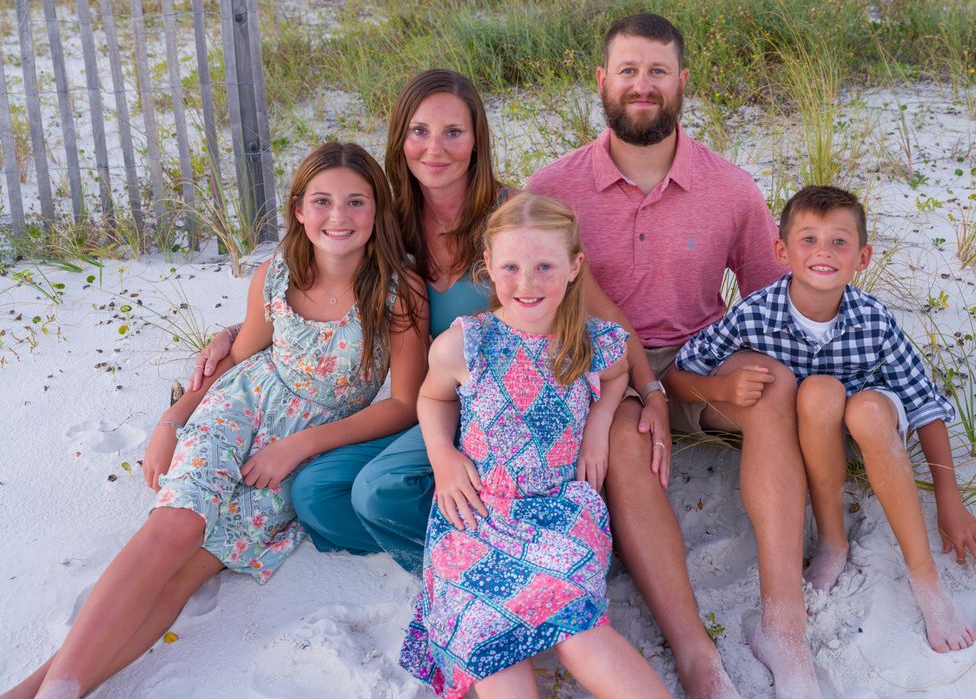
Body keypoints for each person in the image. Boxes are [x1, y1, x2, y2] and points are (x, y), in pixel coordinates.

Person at [188, 69, 657, 579]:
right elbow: (324, 283)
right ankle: (470, 531)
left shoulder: (514, 219)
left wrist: (649, 387)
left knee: (376, 489)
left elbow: (603, 315)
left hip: (514, 407)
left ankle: (503, 555)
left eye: (453, 132)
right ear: (400, 140)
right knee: (315, 494)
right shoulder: (389, 222)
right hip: (440, 397)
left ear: (476, 141)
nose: (435, 148)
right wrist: (236, 332)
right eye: (419, 132)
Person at [3, 142, 427, 699]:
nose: (339, 216)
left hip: (306, 445)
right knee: (173, 529)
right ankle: (50, 690)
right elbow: (240, 356)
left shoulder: (399, 291)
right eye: (322, 201)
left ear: (378, 210)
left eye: (356, 201)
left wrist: (298, 447)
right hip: (240, 409)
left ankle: (46, 689)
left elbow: (400, 405)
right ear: (299, 209)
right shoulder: (278, 274)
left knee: (191, 571)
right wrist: (172, 419)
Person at [526, 13, 796, 699]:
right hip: (599, 370)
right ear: (602, 82)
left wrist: (726, 383)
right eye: (627, 71)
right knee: (620, 440)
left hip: (698, 357)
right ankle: (696, 655)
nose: (641, 86)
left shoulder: (731, 189)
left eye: (656, 71)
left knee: (777, 389)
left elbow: (773, 302)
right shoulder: (552, 188)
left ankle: (783, 620)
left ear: (681, 81)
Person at [668, 186, 976, 654]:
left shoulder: (874, 321)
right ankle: (832, 542)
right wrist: (720, 391)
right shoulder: (755, 314)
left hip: (869, 424)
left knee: (860, 405)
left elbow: (924, 403)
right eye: (808, 240)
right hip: (813, 422)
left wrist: (949, 499)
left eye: (839, 242)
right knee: (819, 392)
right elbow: (680, 373)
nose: (824, 251)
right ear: (781, 251)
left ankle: (926, 581)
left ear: (863, 256)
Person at [400, 193, 670, 699]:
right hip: (478, 513)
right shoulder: (466, 344)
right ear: (488, 266)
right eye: (511, 266)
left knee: (581, 633)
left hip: (560, 510)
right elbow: (432, 398)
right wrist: (443, 456)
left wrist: (599, 425)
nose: (527, 283)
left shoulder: (590, 341)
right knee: (487, 642)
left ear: (575, 267)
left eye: (545, 265)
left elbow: (616, 377)